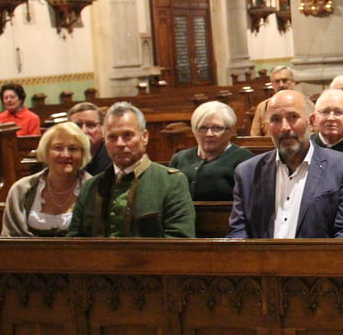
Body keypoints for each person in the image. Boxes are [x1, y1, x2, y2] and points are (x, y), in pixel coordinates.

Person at [229, 90, 343, 238]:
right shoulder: (248, 173)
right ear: (267, 126)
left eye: (293, 117)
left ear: (311, 121)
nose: (285, 127)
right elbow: (238, 233)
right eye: (276, 119)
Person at [69, 102, 195, 237]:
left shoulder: (170, 182)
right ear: (105, 140)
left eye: (127, 135)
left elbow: (180, 239)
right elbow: (74, 240)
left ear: (144, 137)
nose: (120, 144)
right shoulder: (90, 186)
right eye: (112, 137)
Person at [2, 122, 92, 237]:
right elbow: (9, 238)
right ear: (46, 152)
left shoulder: (95, 190)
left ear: (83, 154)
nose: (65, 155)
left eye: (73, 149)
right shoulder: (21, 190)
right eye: (58, 148)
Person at [168, 101, 253, 201]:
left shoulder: (244, 160)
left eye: (217, 128)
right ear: (194, 131)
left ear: (231, 131)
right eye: (202, 128)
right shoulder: (179, 158)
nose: (209, 134)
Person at [250, 65, 297, 136]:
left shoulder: (305, 103)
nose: (281, 85)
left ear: (293, 82)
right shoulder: (263, 107)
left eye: (285, 81)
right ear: (272, 84)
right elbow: (254, 137)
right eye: (277, 81)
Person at [67, 102, 110, 176]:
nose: (84, 131)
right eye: (77, 126)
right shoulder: (62, 157)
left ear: (103, 129)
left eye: (90, 125)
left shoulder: (113, 157)